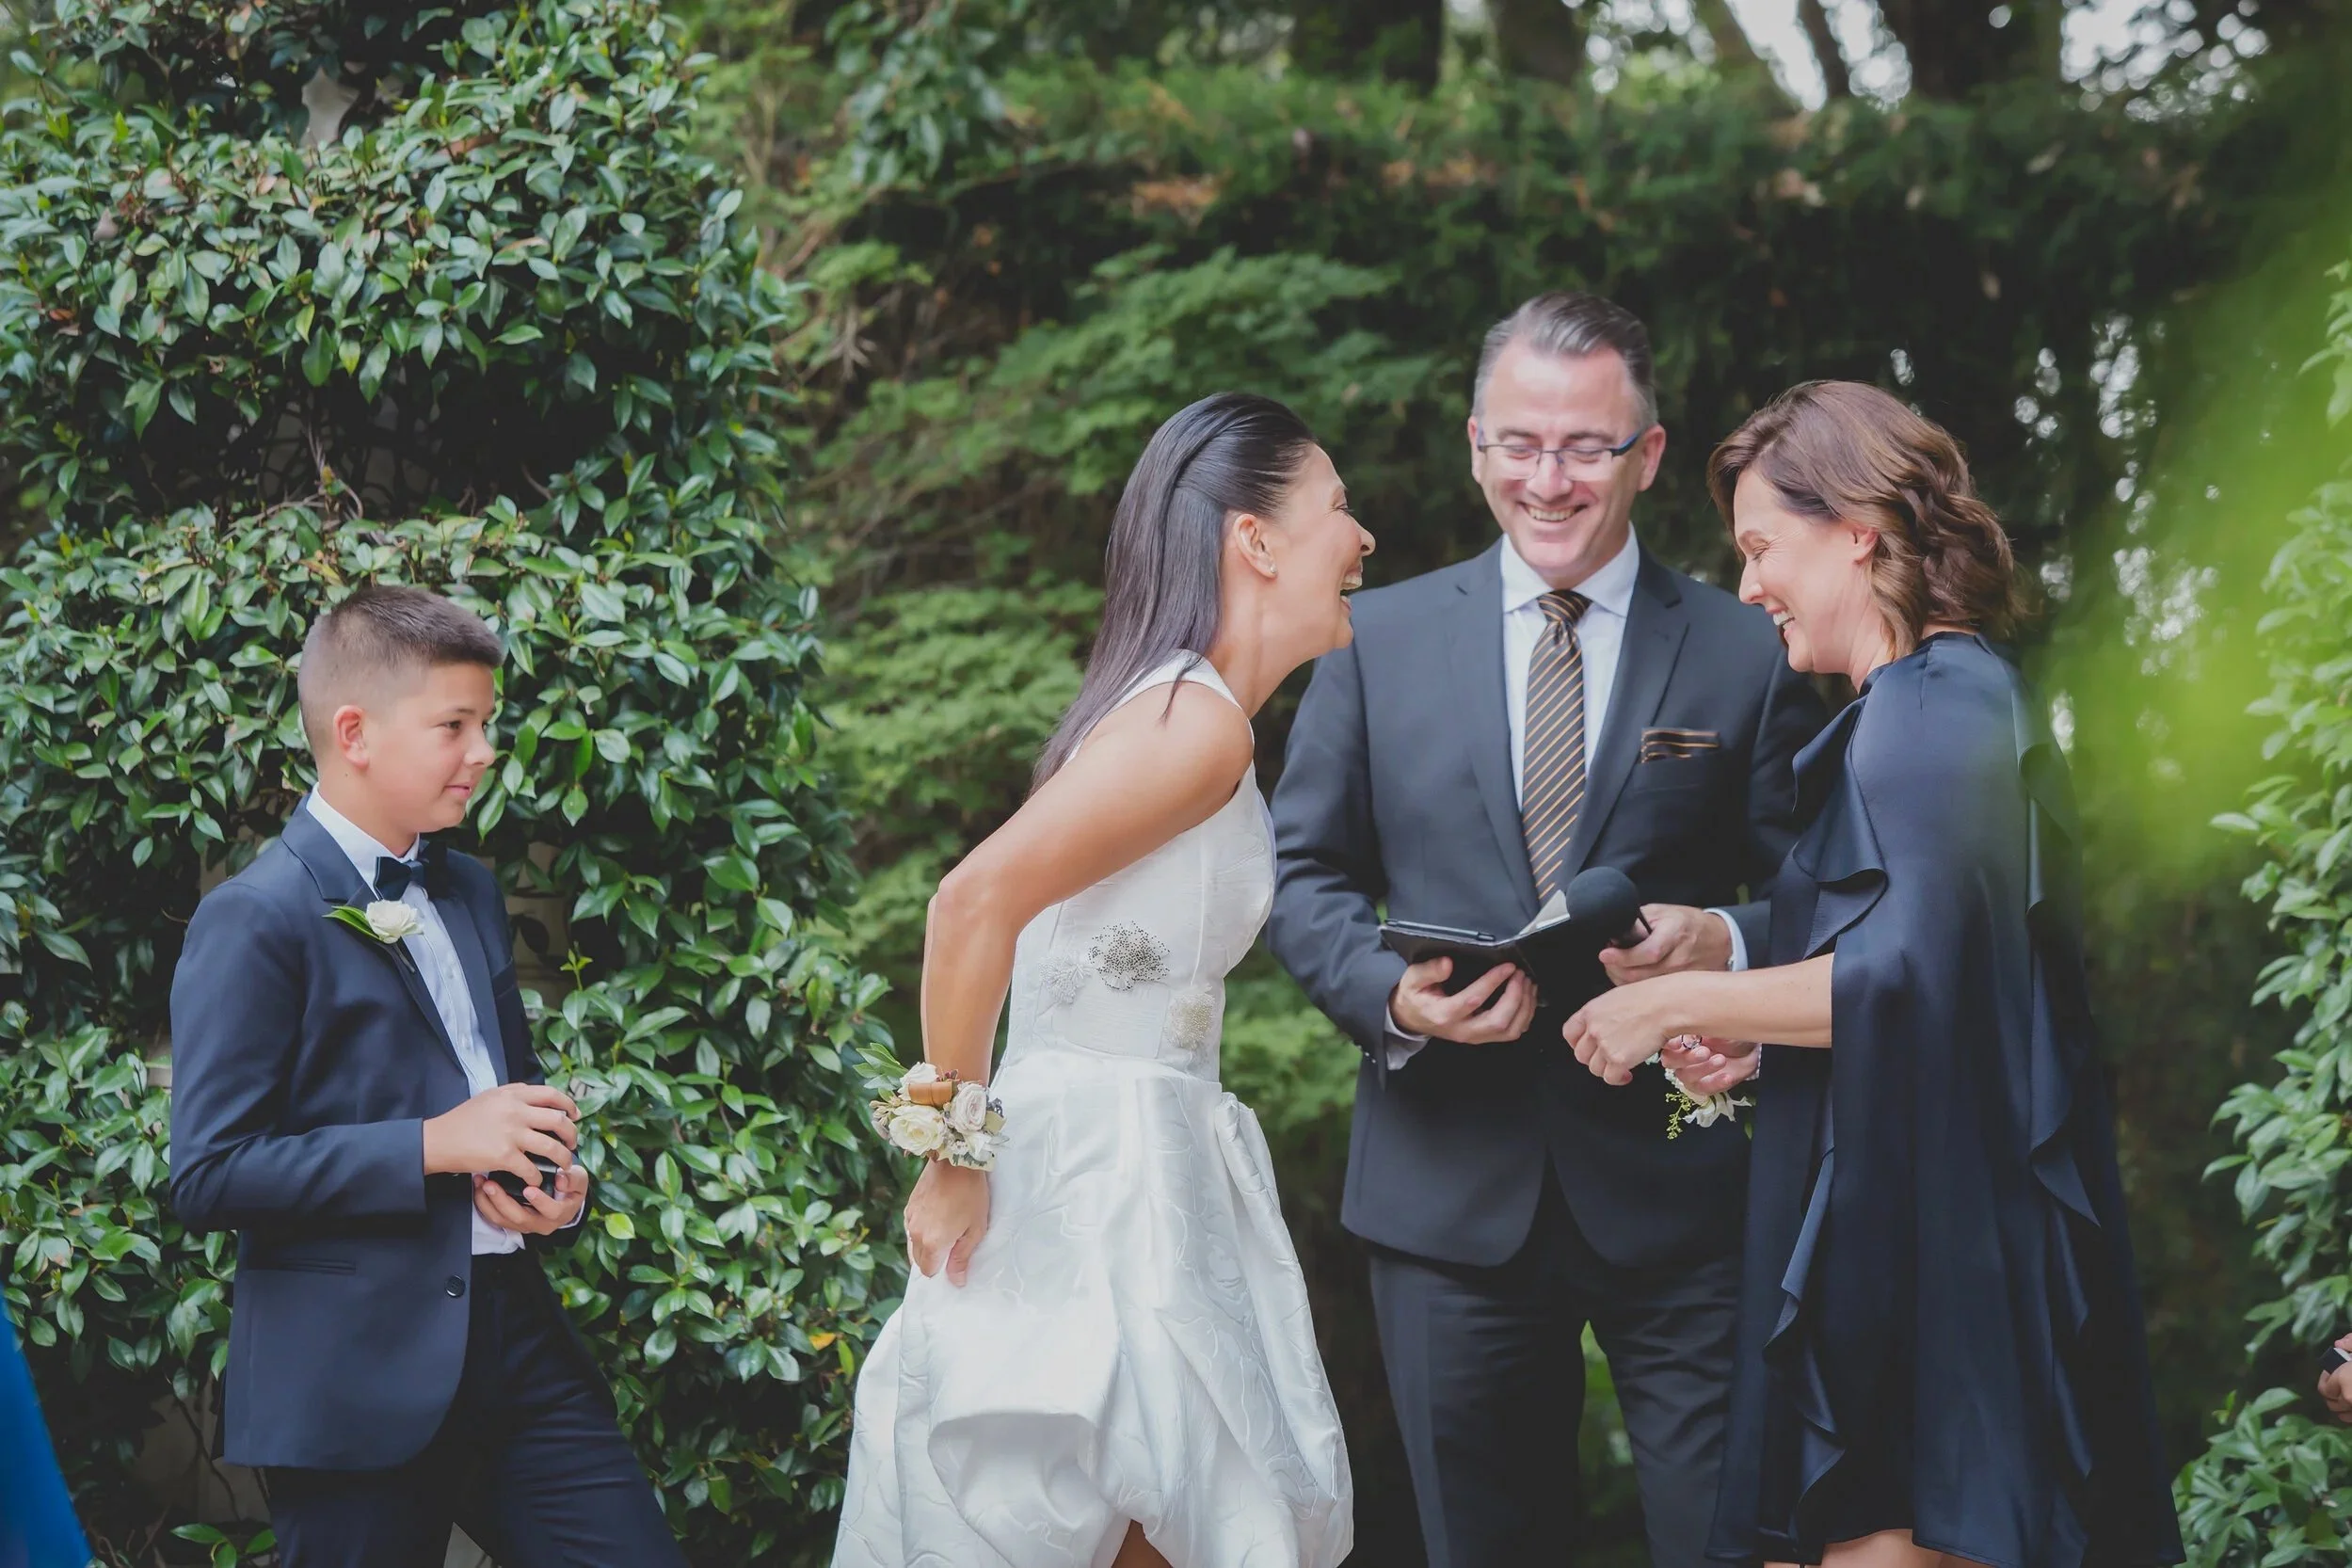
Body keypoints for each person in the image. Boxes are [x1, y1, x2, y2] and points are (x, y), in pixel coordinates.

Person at [1562, 381, 2184, 1568]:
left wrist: (1671, 1002)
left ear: (1857, 529)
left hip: (1927, 1273)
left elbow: (1915, 982)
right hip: (1898, 1246)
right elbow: (1910, 968)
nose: (1748, 589)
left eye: (1761, 548)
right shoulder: (1927, 706)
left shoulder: (1932, 705)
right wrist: (1743, 993)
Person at [1268, 291, 1827, 1567]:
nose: (1547, 477)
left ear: (1645, 453)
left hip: (1688, 1196)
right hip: (1442, 1196)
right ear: (1474, 445)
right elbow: (1296, 869)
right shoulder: (1373, 638)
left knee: (1729, 1542)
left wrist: (1721, 944)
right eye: (1518, 442)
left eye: (1584, 445)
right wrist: (1388, 996)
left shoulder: (1749, 651)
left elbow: (1812, 892)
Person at [833, 392, 1365, 1568]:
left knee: (1151, 1519)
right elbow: (970, 903)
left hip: (1147, 1161)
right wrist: (953, 1161)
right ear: (1256, 538)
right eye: (1338, 507)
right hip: (1099, 1183)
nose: (1363, 538)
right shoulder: (1196, 724)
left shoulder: (1182, 710)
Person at [168, 586, 684, 1568]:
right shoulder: (256, 917)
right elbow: (209, 1173)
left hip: (519, 1346)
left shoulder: (471, 887)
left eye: (483, 724)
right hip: (354, 1376)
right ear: (354, 732)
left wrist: (556, 1191)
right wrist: (435, 1144)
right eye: (455, 724)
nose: (483, 750)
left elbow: (507, 1096)